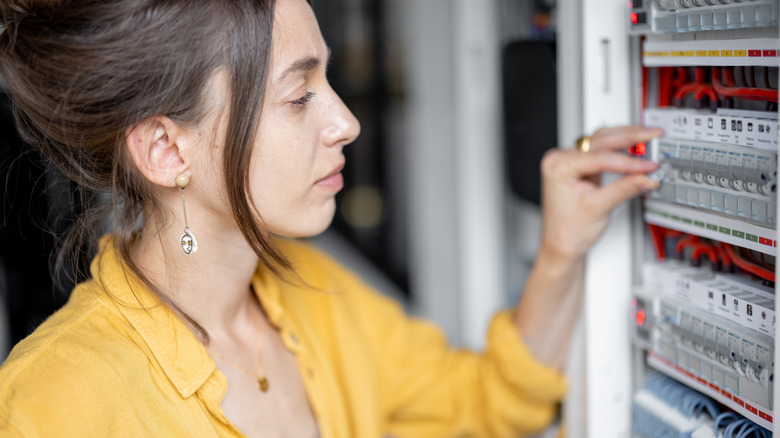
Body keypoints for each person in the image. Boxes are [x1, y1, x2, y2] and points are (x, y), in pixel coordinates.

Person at [0, 0, 662, 436]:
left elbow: (490, 403)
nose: (346, 122)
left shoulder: (323, 301)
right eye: (298, 95)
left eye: (329, 82)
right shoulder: (44, 407)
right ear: (167, 150)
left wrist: (561, 248)